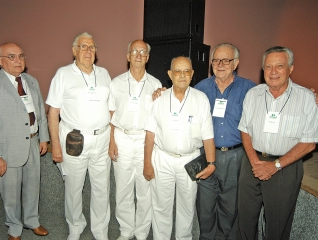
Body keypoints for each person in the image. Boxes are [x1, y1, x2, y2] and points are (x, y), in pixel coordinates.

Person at [237, 46, 318, 240]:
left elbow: (309, 143)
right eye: (268, 67)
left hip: (286, 166)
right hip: (252, 161)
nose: (273, 72)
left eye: (279, 66)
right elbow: (245, 129)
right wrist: (254, 161)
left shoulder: (306, 98)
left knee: (278, 224)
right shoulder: (253, 95)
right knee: (245, 220)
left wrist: (275, 165)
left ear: (290, 68)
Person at [0, 42, 49, 240]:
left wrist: (44, 138)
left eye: (21, 56)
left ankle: (32, 220)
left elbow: (40, 112)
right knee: (11, 194)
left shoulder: (31, 81)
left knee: (33, 187)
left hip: (32, 143)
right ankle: (14, 227)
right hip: (7, 149)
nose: (18, 61)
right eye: (12, 56)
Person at [46, 32, 111, 240]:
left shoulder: (104, 74)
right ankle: (75, 226)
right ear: (74, 51)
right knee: (73, 189)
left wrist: (110, 138)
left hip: (102, 140)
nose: (88, 51)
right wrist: (55, 145)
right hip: (74, 141)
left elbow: (111, 109)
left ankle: (100, 230)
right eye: (83, 47)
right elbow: (53, 112)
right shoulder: (63, 74)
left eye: (92, 47)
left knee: (102, 188)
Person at [144, 56, 216, 240]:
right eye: (177, 71)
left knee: (186, 207)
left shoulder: (201, 99)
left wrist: (211, 163)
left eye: (186, 71)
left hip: (190, 160)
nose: (182, 75)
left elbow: (208, 134)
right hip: (162, 159)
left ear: (192, 74)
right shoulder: (159, 98)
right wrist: (147, 163)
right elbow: (150, 134)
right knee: (161, 206)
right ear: (170, 74)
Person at [194, 43, 256, 240]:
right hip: (207, 154)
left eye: (226, 60)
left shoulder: (250, 89)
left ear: (235, 63)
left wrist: (309, 96)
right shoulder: (201, 88)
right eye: (216, 60)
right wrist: (160, 92)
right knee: (205, 205)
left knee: (230, 207)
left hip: (235, 155)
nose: (220, 64)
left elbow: (273, 99)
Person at [109, 40, 162, 240]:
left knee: (144, 189)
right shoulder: (116, 83)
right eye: (134, 51)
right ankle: (125, 230)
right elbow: (111, 114)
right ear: (128, 56)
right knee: (122, 188)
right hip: (121, 137)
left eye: (143, 52)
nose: (138, 55)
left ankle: (141, 232)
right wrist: (111, 141)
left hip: (145, 141)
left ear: (147, 58)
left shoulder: (155, 84)